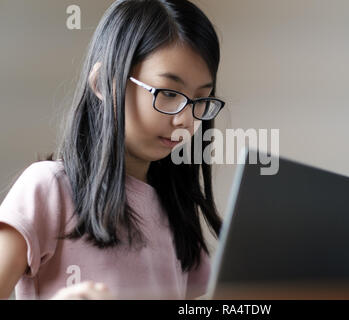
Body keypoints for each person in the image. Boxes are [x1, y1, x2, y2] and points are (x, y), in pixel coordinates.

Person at [0, 0, 225, 300]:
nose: (186, 119)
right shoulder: (48, 188)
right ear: (103, 83)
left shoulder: (177, 212)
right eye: (169, 93)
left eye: (200, 100)